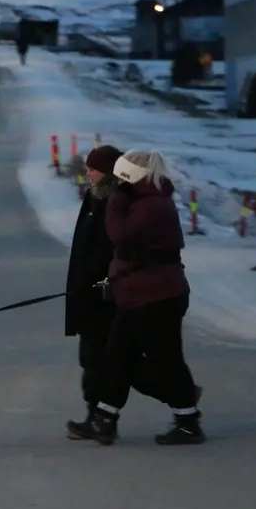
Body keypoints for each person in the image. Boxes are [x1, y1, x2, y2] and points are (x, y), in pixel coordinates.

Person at [69, 150, 204, 446]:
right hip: (137, 295)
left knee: (166, 359)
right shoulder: (142, 201)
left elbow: (120, 234)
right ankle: (104, 419)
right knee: (117, 357)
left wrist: (116, 200)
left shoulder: (152, 205)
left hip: (157, 296)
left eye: (121, 174)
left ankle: (188, 420)